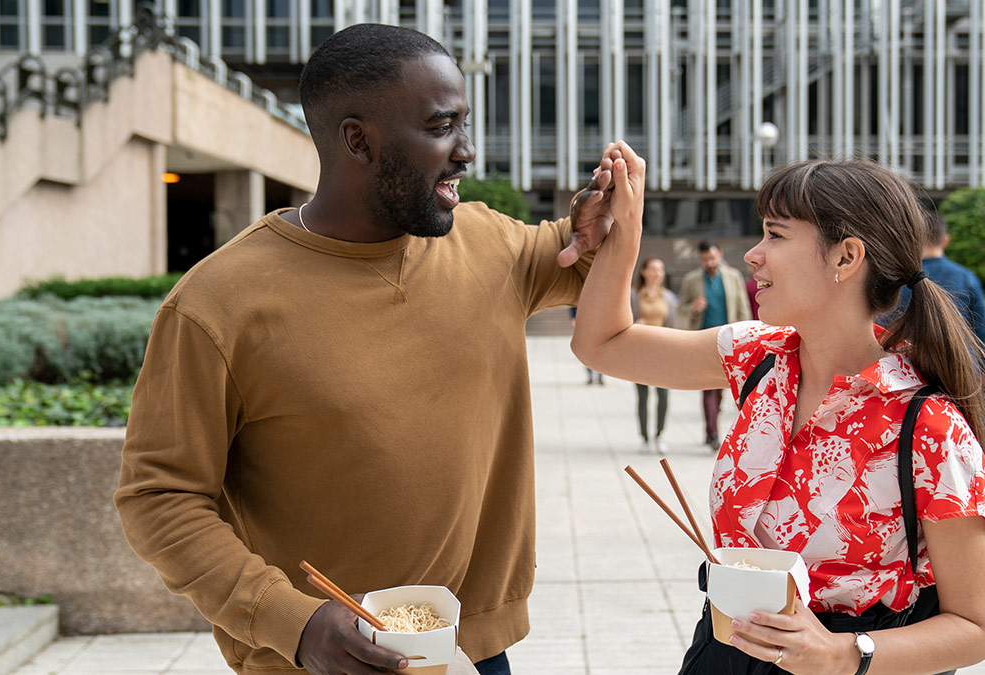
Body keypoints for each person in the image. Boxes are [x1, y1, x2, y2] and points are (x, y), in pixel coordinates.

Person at [114, 24, 618, 675]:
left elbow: (581, 259)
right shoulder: (217, 303)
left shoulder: (488, 242)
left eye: (465, 125)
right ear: (358, 139)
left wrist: (600, 222)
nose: (466, 152)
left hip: (475, 653)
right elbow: (158, 497)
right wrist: (292, 620)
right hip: (314, 661)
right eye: (442, 127)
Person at [573, 145, 985, 675]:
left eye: (775, 235)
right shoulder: (758, 355)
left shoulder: (929, 428)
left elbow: (976, 627)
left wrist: (841, 654)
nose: (753, 254)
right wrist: (627, 225)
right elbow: (603, 344)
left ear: (846, 257)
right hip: (723, 655)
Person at [892, 211, 985, 467]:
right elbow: (981, 331)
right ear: (945, 240)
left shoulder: (898, 280)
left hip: (906, 372)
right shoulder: (965, 277)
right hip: (959, 369)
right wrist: (984, 371)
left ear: (914, 239)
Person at [676, 241, 751, 449]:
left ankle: (712, 428)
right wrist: (693, 307)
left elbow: (742, 305)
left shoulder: (733, 276)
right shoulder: (692, 280)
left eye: (712, 257)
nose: (709, 262)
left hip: (729, 341)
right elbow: (680, 307)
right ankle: (712, 433)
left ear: (720, 254)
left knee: (721, 388)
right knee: (708, 387)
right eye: (705, 259)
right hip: (704, 341)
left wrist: (747, 332)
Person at [629, 256, 678, 453]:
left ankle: (659, 434)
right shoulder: (634, 295)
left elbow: (673, 325)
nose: (658, 273)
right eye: (654, 269)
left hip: (662, 352)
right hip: (641, 351)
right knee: (642, 396)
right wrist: (633, 325)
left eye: (661, 269)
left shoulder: (668, 297)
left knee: (664, 395)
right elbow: (623, 321)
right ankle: (644, 437)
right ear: (644, 272)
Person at [569, 306, 604, 385]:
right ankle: (590, 376)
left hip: (599, 323)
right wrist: (573, 317)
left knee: (601, 351)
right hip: (585, 323)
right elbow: (573, 304)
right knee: (587, 352)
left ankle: (600, 376)